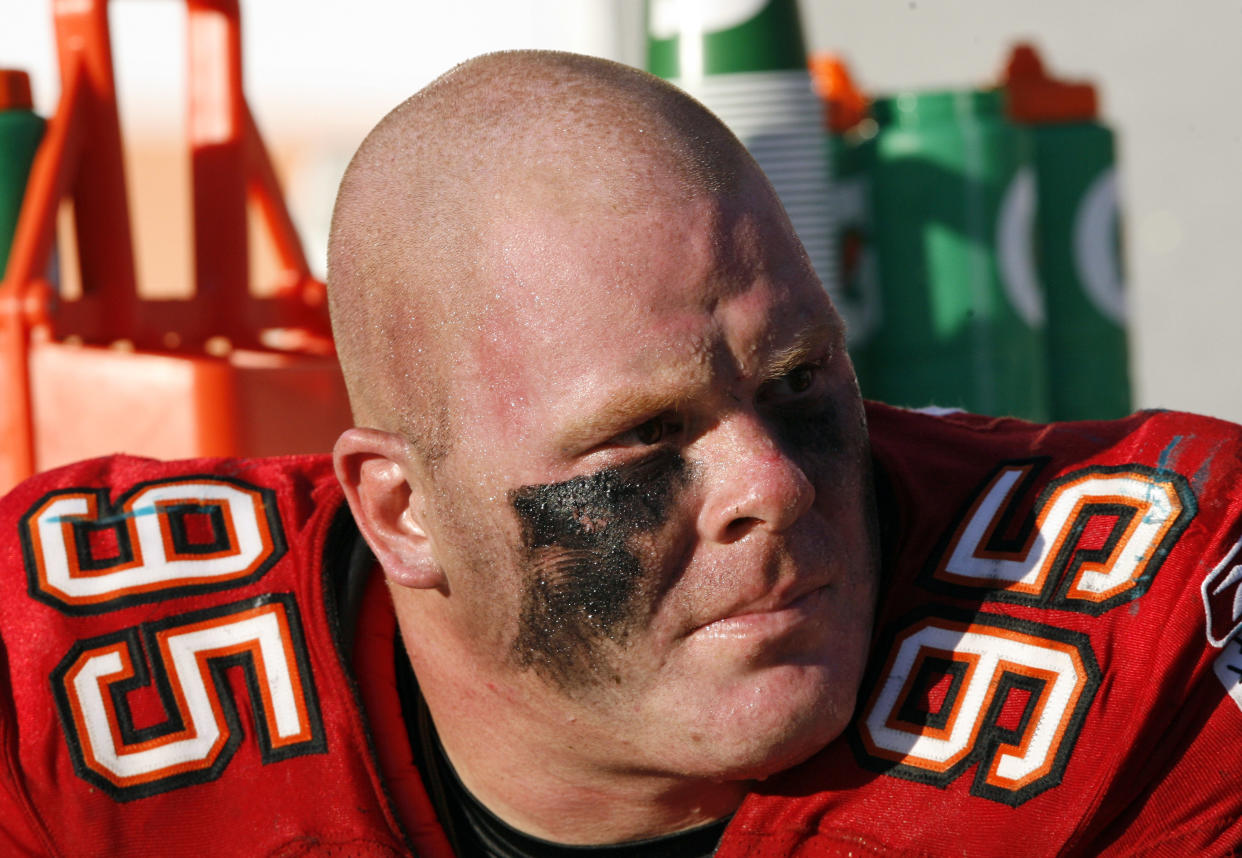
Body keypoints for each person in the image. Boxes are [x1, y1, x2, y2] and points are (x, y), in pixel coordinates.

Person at [0, 50, 1239, 857]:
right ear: (402, 510)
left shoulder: (1155, 611)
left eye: (800, 379)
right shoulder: (60, 680)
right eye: (647, 435)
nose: (777, 482)